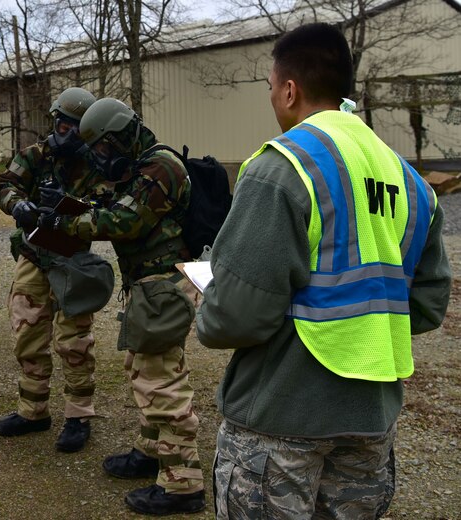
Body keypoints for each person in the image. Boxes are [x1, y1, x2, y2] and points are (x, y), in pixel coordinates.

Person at [196, 23, 452, 519]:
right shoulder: (408, 179)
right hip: (371, 419)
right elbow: (424, 304)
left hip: (282, 413)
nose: (272, 98)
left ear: (289, 90)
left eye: (270, 88)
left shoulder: (284, 167)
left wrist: (209, 305)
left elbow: (238, 316)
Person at [40, 97, 206, 515]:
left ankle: (183, 484)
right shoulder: (140, 167)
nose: (101, 159)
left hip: (164, 284)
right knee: (145, 367)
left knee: (161, 379)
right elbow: (117, 210)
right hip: (149, 285)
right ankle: (152, 452)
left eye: (103, 149)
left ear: (121, 137)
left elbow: (126, 222)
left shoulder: (161, 166)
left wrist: (66, 220)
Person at [0, 87, 105, 453]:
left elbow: (108, 206)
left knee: (74, 342)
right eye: (61, 122)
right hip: (33, 256)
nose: (64, 130)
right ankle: (33, 409)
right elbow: (4, 186)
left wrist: (80, 210)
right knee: (27, 335)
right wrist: (18, 205)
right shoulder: (33, 156)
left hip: (74, 261)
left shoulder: (96, 163)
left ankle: (78, 415)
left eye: (74, 125)